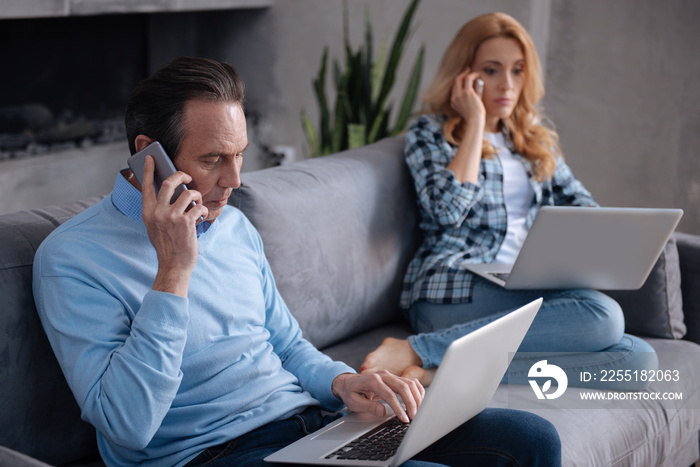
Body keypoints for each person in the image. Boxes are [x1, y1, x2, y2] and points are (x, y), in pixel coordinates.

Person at [33, 56, 561, 466]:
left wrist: (341, 383)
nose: (234, 182)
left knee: (530, 439)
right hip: (210, 455)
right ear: (149, 155)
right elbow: (126, 426)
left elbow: (285, 343)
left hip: (311, 423)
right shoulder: (73, 259)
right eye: (213, 159)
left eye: (239, 155)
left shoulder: (234, 226)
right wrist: (173, 272)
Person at [361, 12, 657, 389]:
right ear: (464, 75)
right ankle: (420, 349)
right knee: (602, 315)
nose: (507, 84)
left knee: (638, 360)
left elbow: (584, 208)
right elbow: (446, 211)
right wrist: (474, 125)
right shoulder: (431, 133)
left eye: (517, 70)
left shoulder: (532, 141)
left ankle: (437, 375)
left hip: (520, 282)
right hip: (451, 286)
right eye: (492, 70)